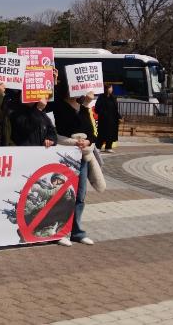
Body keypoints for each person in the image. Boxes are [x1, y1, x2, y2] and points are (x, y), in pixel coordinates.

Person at [52, 80, 105, 247]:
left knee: (80, 196)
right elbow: (61, 130)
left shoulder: (83, 108)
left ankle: (76, 231)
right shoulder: (58, 106)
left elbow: (92, 133)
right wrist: (74, 142)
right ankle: (60, 231)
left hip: (82, 157)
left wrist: (87, 141)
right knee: (63, 195)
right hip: (64, 157)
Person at [94, 85, 121, 152]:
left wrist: (119, 117)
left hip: (113, 119)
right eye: (110, 88)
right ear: (106, 89)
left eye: (111, 88)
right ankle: (98, 147)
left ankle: (108, 147)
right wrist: (103, 113)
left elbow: (115, 109)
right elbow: (97, 108)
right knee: (102, 133)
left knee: (111, 133)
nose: (111, 89)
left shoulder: (113, 97)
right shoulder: (101, 97)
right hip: (103, 119)